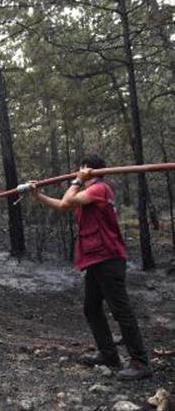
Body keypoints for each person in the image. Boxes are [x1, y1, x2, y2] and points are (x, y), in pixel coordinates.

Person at [29, 154, 152, 381]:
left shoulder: (100, 189)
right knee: (91, 308)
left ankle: (140, 362)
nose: (79, 173)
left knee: (121, 310)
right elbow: (63, 207)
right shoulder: (87, 193)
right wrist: (38, 195)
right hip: (95, 260)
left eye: (81, 169)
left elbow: (66, 201)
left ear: (88, 170)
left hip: (109, 259)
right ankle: (109, 355)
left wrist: (77, 180)